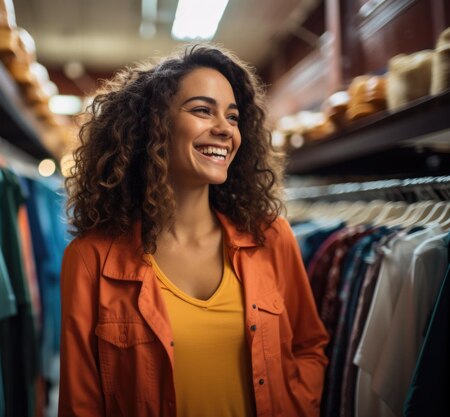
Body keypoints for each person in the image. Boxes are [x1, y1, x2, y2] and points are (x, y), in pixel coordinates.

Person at [58, 44, 329, 417]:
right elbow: (81, 401)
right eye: (202, 110)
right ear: (152, 125)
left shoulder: (271, 237)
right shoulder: (92, 258)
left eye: (233, 118)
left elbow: (308, 346)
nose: (224, 129)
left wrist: (296, 406)